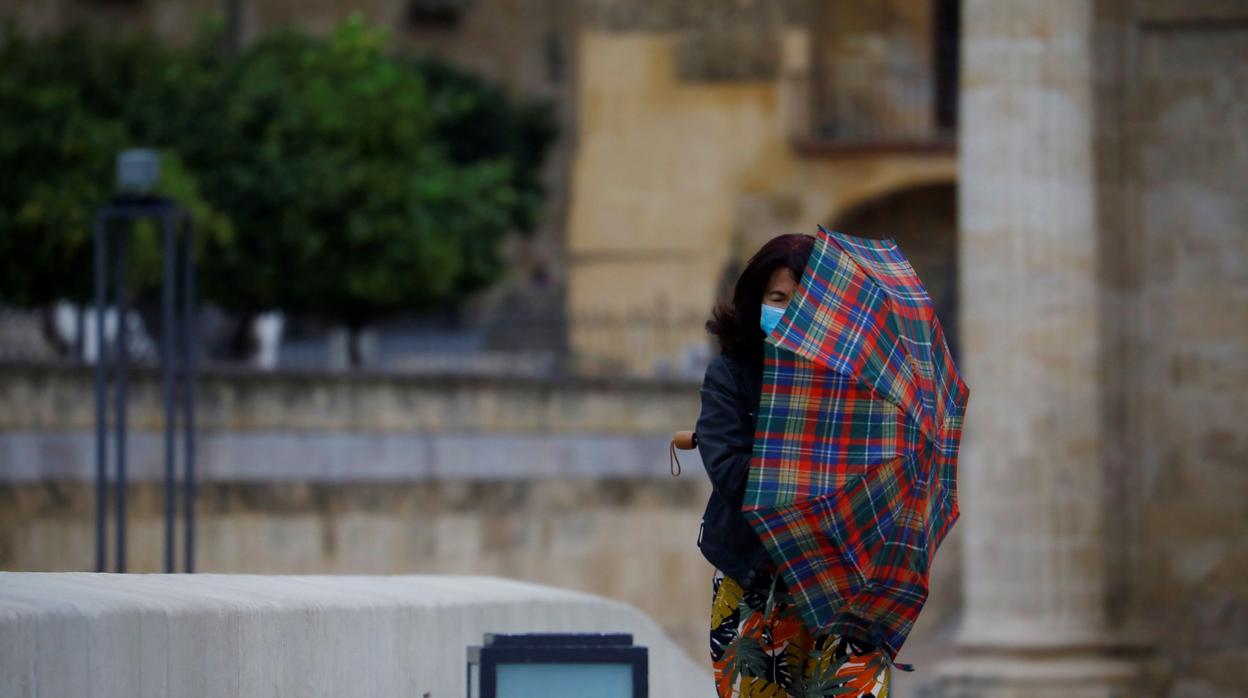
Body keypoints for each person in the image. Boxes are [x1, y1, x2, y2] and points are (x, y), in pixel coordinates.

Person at [697, 233, 892, 697]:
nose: (791, 312)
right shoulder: (732, 375)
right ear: (757, 302)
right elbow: (729, 472)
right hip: (754, 580)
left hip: (847, 580)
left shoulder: (860, 381)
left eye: (805, 301)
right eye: (778, 299)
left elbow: (877, 475)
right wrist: (809, 464)